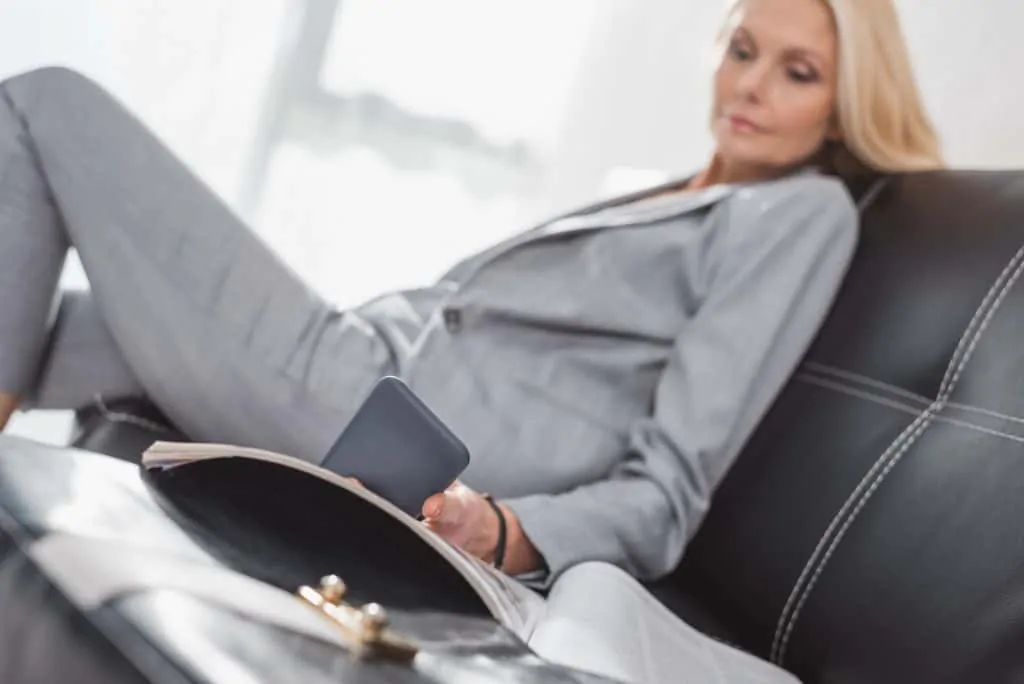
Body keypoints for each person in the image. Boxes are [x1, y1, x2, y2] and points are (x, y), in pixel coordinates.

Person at [0, 0, 940, 597]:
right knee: (42, 337)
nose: (752, 86)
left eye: (799, 72)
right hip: (362, 357)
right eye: (743, 48)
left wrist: (506, 530)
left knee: (46, 100)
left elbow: (667, 495)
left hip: (372, 408)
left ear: (843, 100)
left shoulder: (804, 215)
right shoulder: (678, 195)